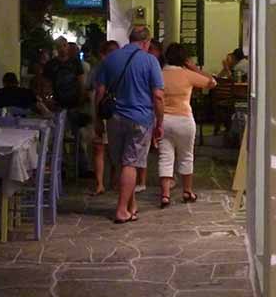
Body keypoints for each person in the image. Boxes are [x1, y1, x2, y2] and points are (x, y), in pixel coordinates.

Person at [94, 25, 163, 224]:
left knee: (122, 163)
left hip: (114, 118)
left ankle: (131, 205)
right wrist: (160, 122)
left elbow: (99, 93)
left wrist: (98, 120)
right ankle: (122, 209)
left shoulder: (111, 59)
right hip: (140, 118)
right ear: (146, 42)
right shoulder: (150, 61)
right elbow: (158, 96)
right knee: (131, 164)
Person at [158, 44, 215, 207]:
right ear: (184, 58)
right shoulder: (187, 74)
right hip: (184, 119)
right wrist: (194, 68)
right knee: (186, 155)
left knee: (165, 156)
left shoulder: (159, 74)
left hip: (164, 119)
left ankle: (165, 194)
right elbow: (212, 83)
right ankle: (187, 191)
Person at [89, 38, 119, 195]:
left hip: (105, 108)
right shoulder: (120, 66)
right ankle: (113, 181)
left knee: (100, 149)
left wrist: (97, 116)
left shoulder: (101, 68)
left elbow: (98, 91)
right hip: (117, 109)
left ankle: (100, 183)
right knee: (114, 148)